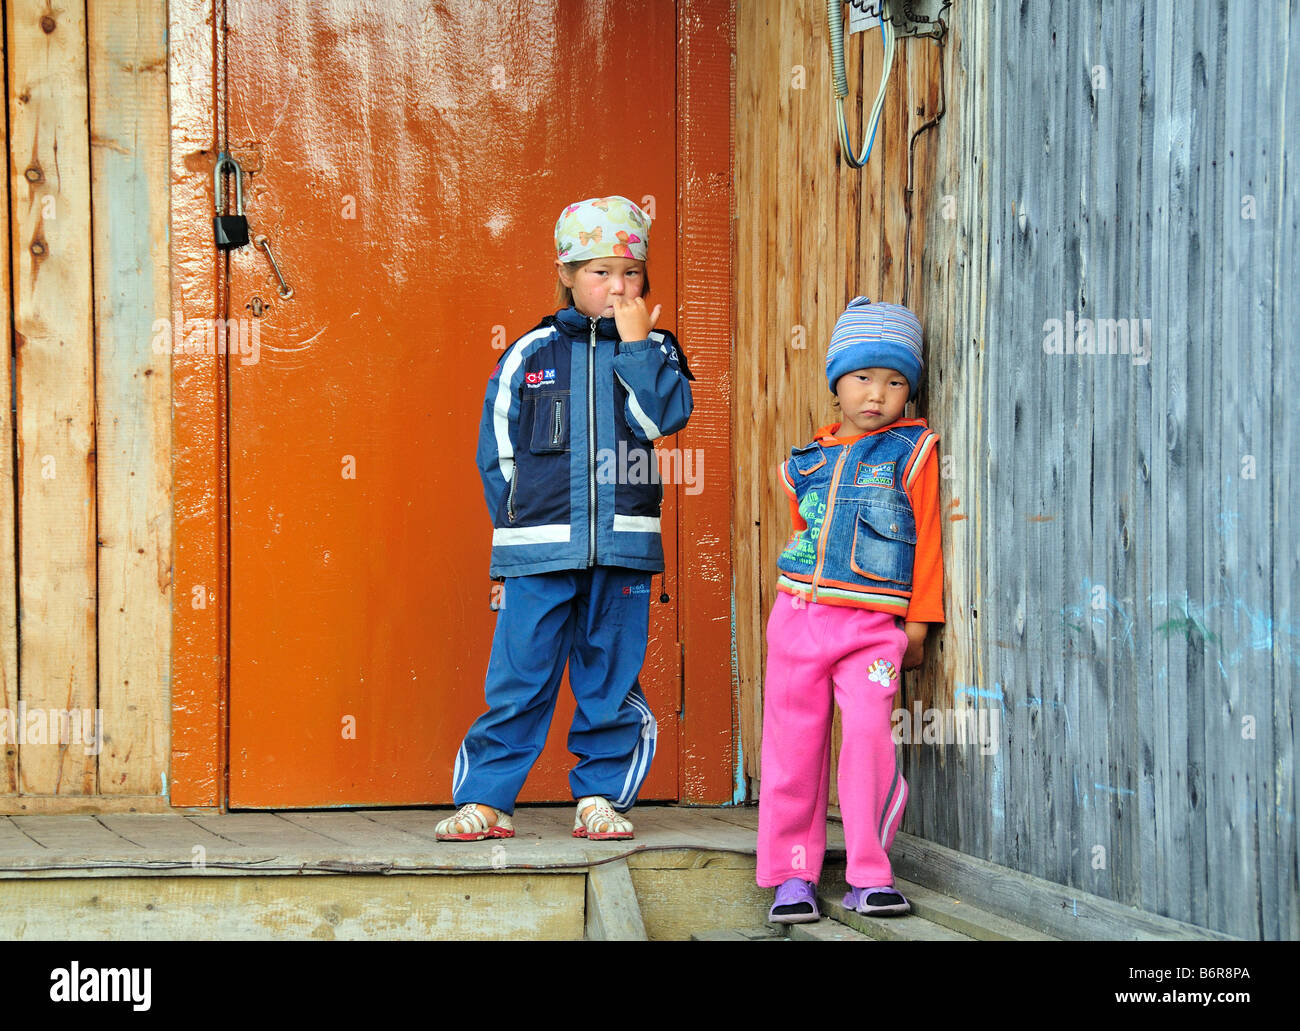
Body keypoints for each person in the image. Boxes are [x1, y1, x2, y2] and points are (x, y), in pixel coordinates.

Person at [436, 195, 694, 842]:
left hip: (624, 547)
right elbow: (495, 444)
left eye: (629, 273)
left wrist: (636, 349)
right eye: (599, 272)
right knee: (519, 675)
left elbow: (660, 419)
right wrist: (516, 523)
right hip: (538, 547)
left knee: (608, 675)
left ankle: (601, 795)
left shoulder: (657, 349)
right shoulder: (530, 353)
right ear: (567, 273)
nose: (616, 286)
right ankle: (488, 799)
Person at [757, 296, 944, 921]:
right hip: (797, 622)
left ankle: (869, 873)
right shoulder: (803, 464)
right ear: (837, 380)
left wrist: (917, 626)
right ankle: (792, 876)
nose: (877, 393)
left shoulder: (911, 454)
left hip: (871, 631)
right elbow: (802, 538)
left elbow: (929, 546)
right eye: (863, 376)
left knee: (869, 742)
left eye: (895, 382)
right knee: (792, 748)